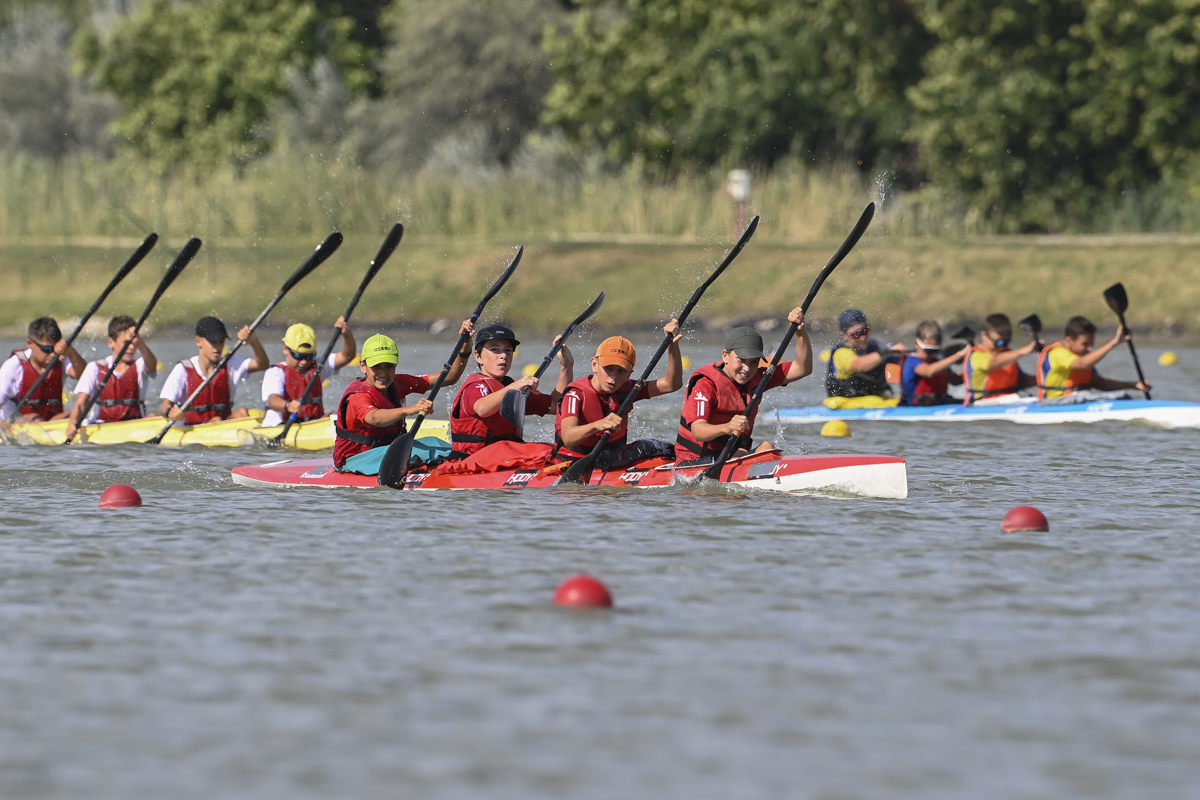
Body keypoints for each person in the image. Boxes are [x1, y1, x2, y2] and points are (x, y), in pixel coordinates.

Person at [675, 309, 812, 465]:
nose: (747, 368)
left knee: (767, 447)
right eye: (741, 360)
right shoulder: (705, 384)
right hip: (694, 461)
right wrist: (727, 427)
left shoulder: (759, 378)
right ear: (725, 355)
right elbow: (698, 431)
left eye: (753, 362)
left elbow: (803, 368)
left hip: (732, 456)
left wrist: (800, 331)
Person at [333, 323, 473, 470]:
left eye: (389, 366)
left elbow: (450, 377)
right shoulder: (358, 395)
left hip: (387, 453)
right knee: (422, 451)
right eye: (376, 366)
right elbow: (374, 418)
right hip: (355, 460)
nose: (383, 373)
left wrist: (465, 347)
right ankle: (462, 466)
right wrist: (410, 409)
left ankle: (468, 461)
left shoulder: (399, 383)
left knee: (436, 443)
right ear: (363, 366)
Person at [553, 320, 683, 469]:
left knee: (657, 447)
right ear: (594, 365)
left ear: (630, 374)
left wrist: (672, 346)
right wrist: (599, 424)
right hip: (572, 462)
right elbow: (568, 437)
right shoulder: (575, 394)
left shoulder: (628, 389)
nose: (614, 377)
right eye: (609, 368)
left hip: (612, 459)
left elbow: (672, 384)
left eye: (621, 371)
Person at [449, 324, 574, 456]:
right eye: (495, 350)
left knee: (557, 451)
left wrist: (566, 366)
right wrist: (517, 385)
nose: (503, 355)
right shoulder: (475, 386)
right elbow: (482, 408)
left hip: (506, 457)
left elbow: (555, 405)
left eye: (508, 350)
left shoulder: (512, 386)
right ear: (478, 357)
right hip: (472, 462)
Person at [159, 316, 269, 425]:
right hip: (191, 427)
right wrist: (171, 412)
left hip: (220, 424)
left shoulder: (230, 365)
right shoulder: (183, 369)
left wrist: (254, 341)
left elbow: (262, 365)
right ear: (198, 341)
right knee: (217, 420)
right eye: (213, 342)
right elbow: (164, 407)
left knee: (242, 413)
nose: (217, 347)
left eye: (221, 342)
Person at [64, 315, 158, 440]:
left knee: (153, 416)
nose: (131, 347)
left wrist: (141, 344)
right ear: (111, 342)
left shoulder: (140, 365)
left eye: (134, 343)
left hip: (134, 424)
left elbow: (152, 365)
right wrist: (72, 424)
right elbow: (81, 404)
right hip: (101, 425)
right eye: (126, 343)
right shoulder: (94, 368)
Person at [260, 319, 356, 427]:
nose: (304, 362)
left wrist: (347, 335)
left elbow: (347, 356)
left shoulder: (318, 366)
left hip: (311, 422)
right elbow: (272, 400)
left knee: (336, 415)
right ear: (285, 349)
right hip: (281, 424)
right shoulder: (275, 372)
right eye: (299, 356)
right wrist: (288, 405)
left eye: (309, 356)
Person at [1037, 316, 1151, 401]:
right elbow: (1082, 364)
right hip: (1054, 403)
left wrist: (1134, 385)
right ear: (1069, 341)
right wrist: (1114, 342)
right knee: (1085, 396)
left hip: (1081, 400)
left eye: (1092, 343)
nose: (1090, 348)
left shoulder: (1083, 355)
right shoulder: (1058, 353)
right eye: (1085, 344)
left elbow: (1100, 383)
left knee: (1123, 396)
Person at [0, 316, 85, 424]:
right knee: (36, 419)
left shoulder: (61, 358)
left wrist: (71, 352)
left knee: (77, 414)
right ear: (30, 343)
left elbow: (84, 376)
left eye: (55, 348)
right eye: (47, 349)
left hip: (51, 420)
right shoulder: (14, 365)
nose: (53, 354)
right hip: (18, 422)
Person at [962, 313, 1040, 405]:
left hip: (1011, 400)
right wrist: (1023, 351)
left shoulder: (1008, 354)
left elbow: (1021, 381)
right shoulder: (977, 355)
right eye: (997, 342)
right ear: (984, 335)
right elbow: (994, 362)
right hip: (981, 404)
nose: (1001, 346)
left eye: (1006, 342)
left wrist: (1043, 378)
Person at [825, 309, 905, 399]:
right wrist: (888, 351)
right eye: (856, 334)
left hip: (876, 400)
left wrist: (905, 355)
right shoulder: (841, 352)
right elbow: (859, 365)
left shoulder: (876, 345)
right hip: (846, 404)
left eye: (864, 331)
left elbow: (902, 361)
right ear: (844, 335)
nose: (862, 337)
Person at [899, 320, 964, 406]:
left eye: (937, 350)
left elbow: (955, 380)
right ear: (916, 343)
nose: (934, 354)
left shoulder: (938, 360)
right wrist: (959, 354)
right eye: (929, 350)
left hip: (940, 402)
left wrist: (975, 370)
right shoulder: (912, 361)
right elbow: (929, 372)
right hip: (916, 406)